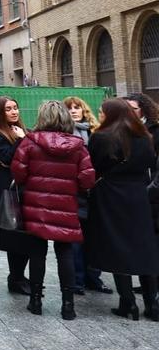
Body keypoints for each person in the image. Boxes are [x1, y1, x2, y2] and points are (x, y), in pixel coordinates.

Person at [10, 100, 95, 320]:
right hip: (66, 206)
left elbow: (18, 173)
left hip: (36, 205)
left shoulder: (29, 143)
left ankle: (36, 301)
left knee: (37, 252)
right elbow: (87, 179)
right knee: (64, 252)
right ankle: (68, 306)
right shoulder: (78, 146)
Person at [85, 98, 159, 320]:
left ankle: (128, 303)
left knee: (118, 247)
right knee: (144, 247)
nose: (100, 115)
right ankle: (152, 303)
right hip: (138, 195)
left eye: (102, 112)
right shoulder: (145, 136)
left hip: (111, 196)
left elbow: (95, 166)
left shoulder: (101, 137)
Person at [0, 96, 33, 296]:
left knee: (26, 233)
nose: (14, 112)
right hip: (7, 186)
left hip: (24, 185)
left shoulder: (22, 131)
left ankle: (20, 276)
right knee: (13, 233)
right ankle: (16, 277)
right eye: (8, 109)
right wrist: (22, 141)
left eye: (15, 107)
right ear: (0, 113)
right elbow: (7, 158)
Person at [64, 96, 111, 295]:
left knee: (94, 236)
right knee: (75, 238)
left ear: (84, 110)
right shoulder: (63, 133)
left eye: (77, 108)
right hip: (74, 191)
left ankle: (94, 278)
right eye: (70, 108)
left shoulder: (95, 133)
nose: (74, 111)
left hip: (96, 191)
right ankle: (77, 279)